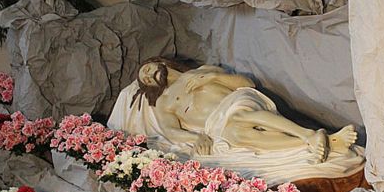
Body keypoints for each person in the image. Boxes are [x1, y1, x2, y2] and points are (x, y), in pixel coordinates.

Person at [110, 58, 358, 164]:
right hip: (216, 125)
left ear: (159, 61)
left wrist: (212, 77)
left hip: (237, 101)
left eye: (147, 69)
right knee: (235, 134)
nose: (148, 75)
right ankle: (323, 142)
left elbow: (246, 83)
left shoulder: (201, 71)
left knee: (239, 116)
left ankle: (308, 134)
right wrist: (196, 137)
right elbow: (171, 131)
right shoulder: (165, 103)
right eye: (145, 79)